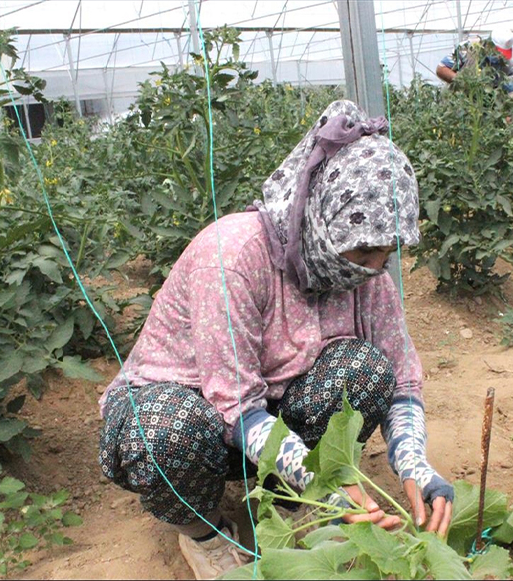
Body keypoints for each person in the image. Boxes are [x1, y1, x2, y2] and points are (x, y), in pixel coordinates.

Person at [97, 100, 453, 580]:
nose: (372, 268)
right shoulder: (234, 257)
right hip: (192, 414)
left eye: (386, 254)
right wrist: (323, 481)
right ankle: (204, 532)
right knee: (167, 430)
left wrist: (415, 468)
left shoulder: (367, 276)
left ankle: (290, 501)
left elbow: (402, 383)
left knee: (365, 371)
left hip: (270, 419)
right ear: (324, 216)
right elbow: (237, 404)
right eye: (364, 249)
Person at [436, 26, 513, 92]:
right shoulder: (467, 49)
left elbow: (509, 88)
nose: (500, 56)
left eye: (503, 53)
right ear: (489, 44)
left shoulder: (506, 63)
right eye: (498, 52)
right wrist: (464, 82)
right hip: (458, 101)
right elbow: (441, 69)